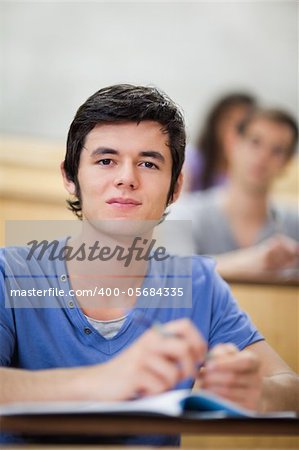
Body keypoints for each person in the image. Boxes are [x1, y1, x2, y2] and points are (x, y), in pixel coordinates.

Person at [0, 86, 298, 447]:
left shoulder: (198, 283)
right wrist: (108, 381)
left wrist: (259, 394)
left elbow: (289, 386)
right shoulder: (11, 273)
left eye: (148, 163)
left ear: (176, 188)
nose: (127, 178)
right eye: (106, 160)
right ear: (69, 176)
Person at [170, 107, 299, 281]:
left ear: (287, 163)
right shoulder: (185, 213)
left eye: (277, 150)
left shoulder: (294, 225)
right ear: (232, 143)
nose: (263, 157)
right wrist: (253, 262)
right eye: (255, 142)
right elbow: (172, 275)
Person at [183, 92, 256, 192]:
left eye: (242, 124)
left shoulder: (256, 172)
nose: (233, 129)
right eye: (228, 120)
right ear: (215, 122)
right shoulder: (191, 159)